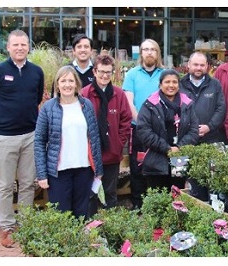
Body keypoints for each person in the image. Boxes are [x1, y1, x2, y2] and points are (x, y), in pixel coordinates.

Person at [0, 29, 44, 248]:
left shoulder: (36, 72)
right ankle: (7, 228)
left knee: (27, 183)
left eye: (23, 44)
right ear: (8, 47)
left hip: (30, 135)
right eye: (15, 45)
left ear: (28, 47)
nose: (19, 48)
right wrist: (0, 122)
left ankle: (25, 226)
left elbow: (36, 98)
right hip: (5, 137)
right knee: (5, 185)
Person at [35, 66, 103, 220]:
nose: (67, 84)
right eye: (63, 80)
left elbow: (94, 138)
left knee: (82, 214)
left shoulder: (86, 106)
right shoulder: (48, 108)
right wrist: (41, 174)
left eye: (71, 80)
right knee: (61, 217)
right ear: (57, 84)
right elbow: (39, 141)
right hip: (58, 172)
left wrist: (98, 170)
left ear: (77, 84)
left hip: (84, 170)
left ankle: (82, 244)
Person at [80, 54, 133, 212]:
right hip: (90, 155)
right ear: (94, 72)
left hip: (111, 153)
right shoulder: (85, 94)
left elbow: (126, 120)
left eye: (108, 72)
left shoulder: (119, 94)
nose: (104, 76)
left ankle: (110, 224)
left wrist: (118, 143)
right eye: (101, 72)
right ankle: (90, 226)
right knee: (90, 192)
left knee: (110, 192)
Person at [136, 69, 199, 193]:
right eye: (167, 82)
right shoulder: (150, 104)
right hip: (156, 160)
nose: (171, 85)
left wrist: (179, 147)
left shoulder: (187, 104)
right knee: (158, 198)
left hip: (180, 158)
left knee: (178, 195)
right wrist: (167, 149)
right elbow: (143, 131)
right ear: (160, 84)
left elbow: (194, 129)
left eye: (174, 82)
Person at [122, 38, 164, 210]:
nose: (149, 52)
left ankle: (158, 206)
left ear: (157, 53)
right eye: (145, 49)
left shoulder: (164, 74)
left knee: (159, 167)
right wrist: (142, 123)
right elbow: (129, 101)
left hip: (160, 130)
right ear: (141, 53)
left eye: (152, 49)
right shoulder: (132, 74)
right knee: (137, 167)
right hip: (138, 128)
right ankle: (138, 205)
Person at [179, 52, 227, 202]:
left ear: (207, 66)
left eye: (202, 65)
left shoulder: (215, 85)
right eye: (195, 65)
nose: (198, 68)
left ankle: (214, 211)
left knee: (213, 179)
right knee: (190, 178)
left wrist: (209, 126)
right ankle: (194, 209)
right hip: (187, 141)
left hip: (211, 139)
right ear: (188, 66)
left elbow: (221, 108)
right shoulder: (179, 85)